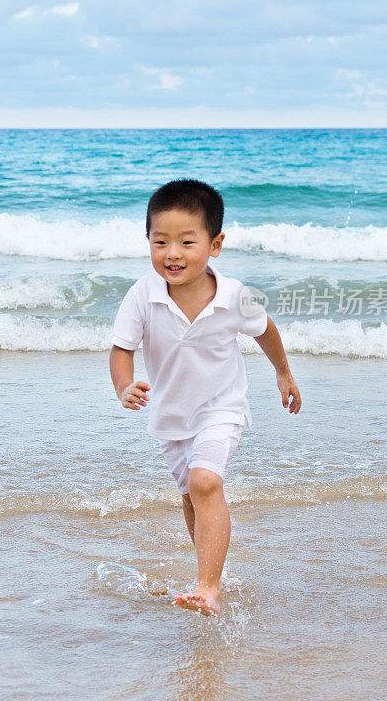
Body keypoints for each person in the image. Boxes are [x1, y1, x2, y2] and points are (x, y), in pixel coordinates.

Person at [109, 179, 301, 617]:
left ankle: (207, 586)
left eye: (186, 241)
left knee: (205, 482)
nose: (172, 253)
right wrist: (123, 386)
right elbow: (122, 349)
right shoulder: (142, 294)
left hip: (223, 407)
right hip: (170, 417)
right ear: (148, 243)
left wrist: (284, 374)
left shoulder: (236, 295)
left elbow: (267, 330)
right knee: (191, 494)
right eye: (160, 242)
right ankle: (210, 572)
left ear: (215, 244)